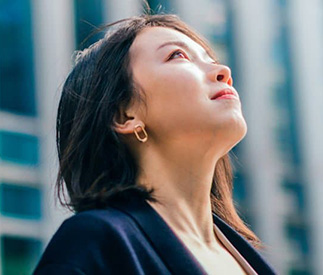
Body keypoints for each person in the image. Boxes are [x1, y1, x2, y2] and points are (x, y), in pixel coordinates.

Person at [33, 13, 276, 275]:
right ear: (124, 115)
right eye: (178, 56)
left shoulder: (247, 257)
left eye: (212, 59)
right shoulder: (94, 245)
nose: (223, 72)